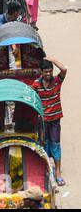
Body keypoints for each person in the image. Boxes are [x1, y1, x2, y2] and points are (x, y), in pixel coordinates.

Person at [32, 58, 67, 186]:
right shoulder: (36, 84)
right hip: (42, 121)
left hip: (55, 120)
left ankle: (57, 172)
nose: (48, 74)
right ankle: (47, 171)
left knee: (56, 145)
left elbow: (64, 69)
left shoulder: (57, 81)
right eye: (45, 72)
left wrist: (51, 59)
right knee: (44, 145)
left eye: (50, 71)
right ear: (41, 72)